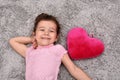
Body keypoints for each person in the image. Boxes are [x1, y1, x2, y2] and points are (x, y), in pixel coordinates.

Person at [9, 13, 91, 80]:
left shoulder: (58, 49)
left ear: (56, 37)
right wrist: (31, 39)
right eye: (42, 30)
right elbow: (13, 41)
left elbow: (74, 69)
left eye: (51, 31)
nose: (46, 33)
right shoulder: (31, 51)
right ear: (34, 33)